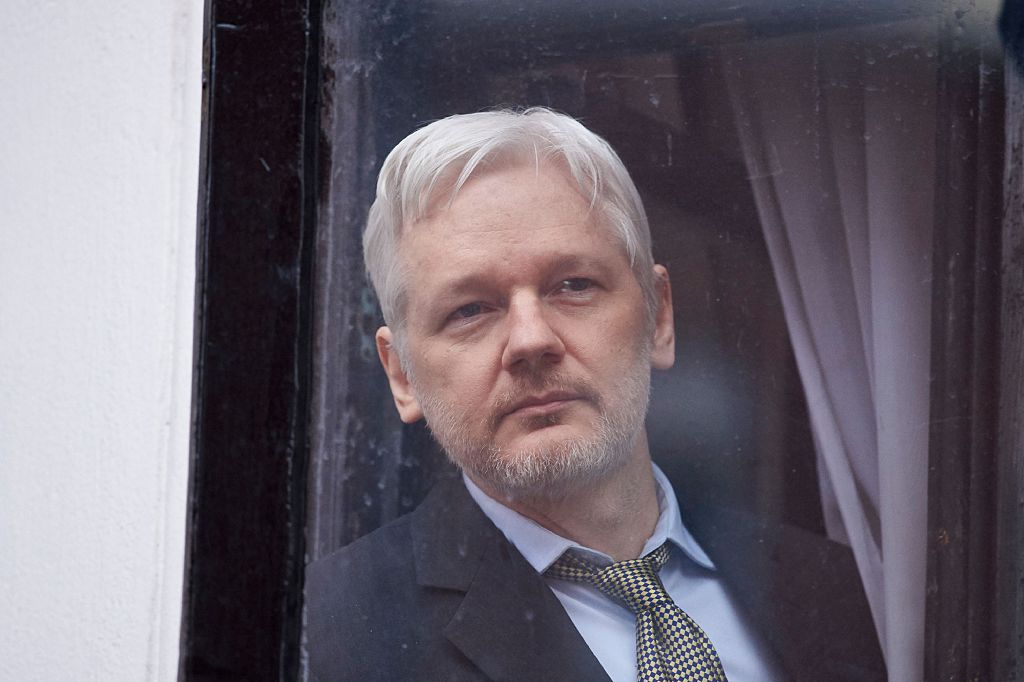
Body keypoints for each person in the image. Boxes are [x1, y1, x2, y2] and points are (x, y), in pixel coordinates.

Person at [307, 108, 884, 681]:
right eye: (470, 310)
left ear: (658, 318)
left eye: (573, 285)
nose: (531, 340)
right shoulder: (324, 640)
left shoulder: (847, 588)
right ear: (402, 376)